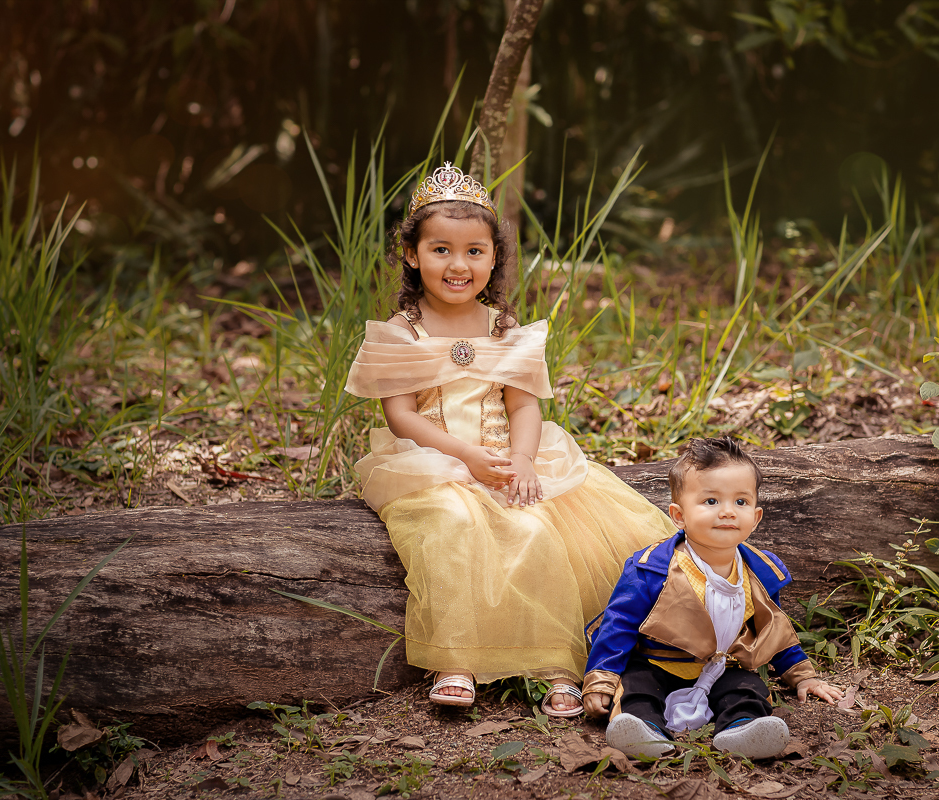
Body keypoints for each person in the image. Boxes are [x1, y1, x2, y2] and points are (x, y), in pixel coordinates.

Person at [345, 162, 678, 716]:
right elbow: (403, 416)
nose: (459, 264)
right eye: (441, 250)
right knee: (451, 527)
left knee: (542, 527)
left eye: (475, 251)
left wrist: (521, 459)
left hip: (508, 454)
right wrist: (469, 457)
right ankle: (458, 659)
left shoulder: (504, 328)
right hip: (434, 457)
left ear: (495, 257)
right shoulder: (402, 332)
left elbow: (523, 403)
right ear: (412, 254)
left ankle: (562, 665)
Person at [581, 436, 843, 759]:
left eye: (741, 503)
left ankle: (742, 727)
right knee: (638, 686)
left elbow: (772, 629)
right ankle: (640, 728)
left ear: (756, 517)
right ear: (679, 515)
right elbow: (618, 624)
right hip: (660, 662)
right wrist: (601, 679)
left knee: (748, 688)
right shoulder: (652, 569)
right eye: (711, 502)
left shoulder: (758, 572)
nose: (728, 513)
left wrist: (803, 675)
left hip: (723, 667)